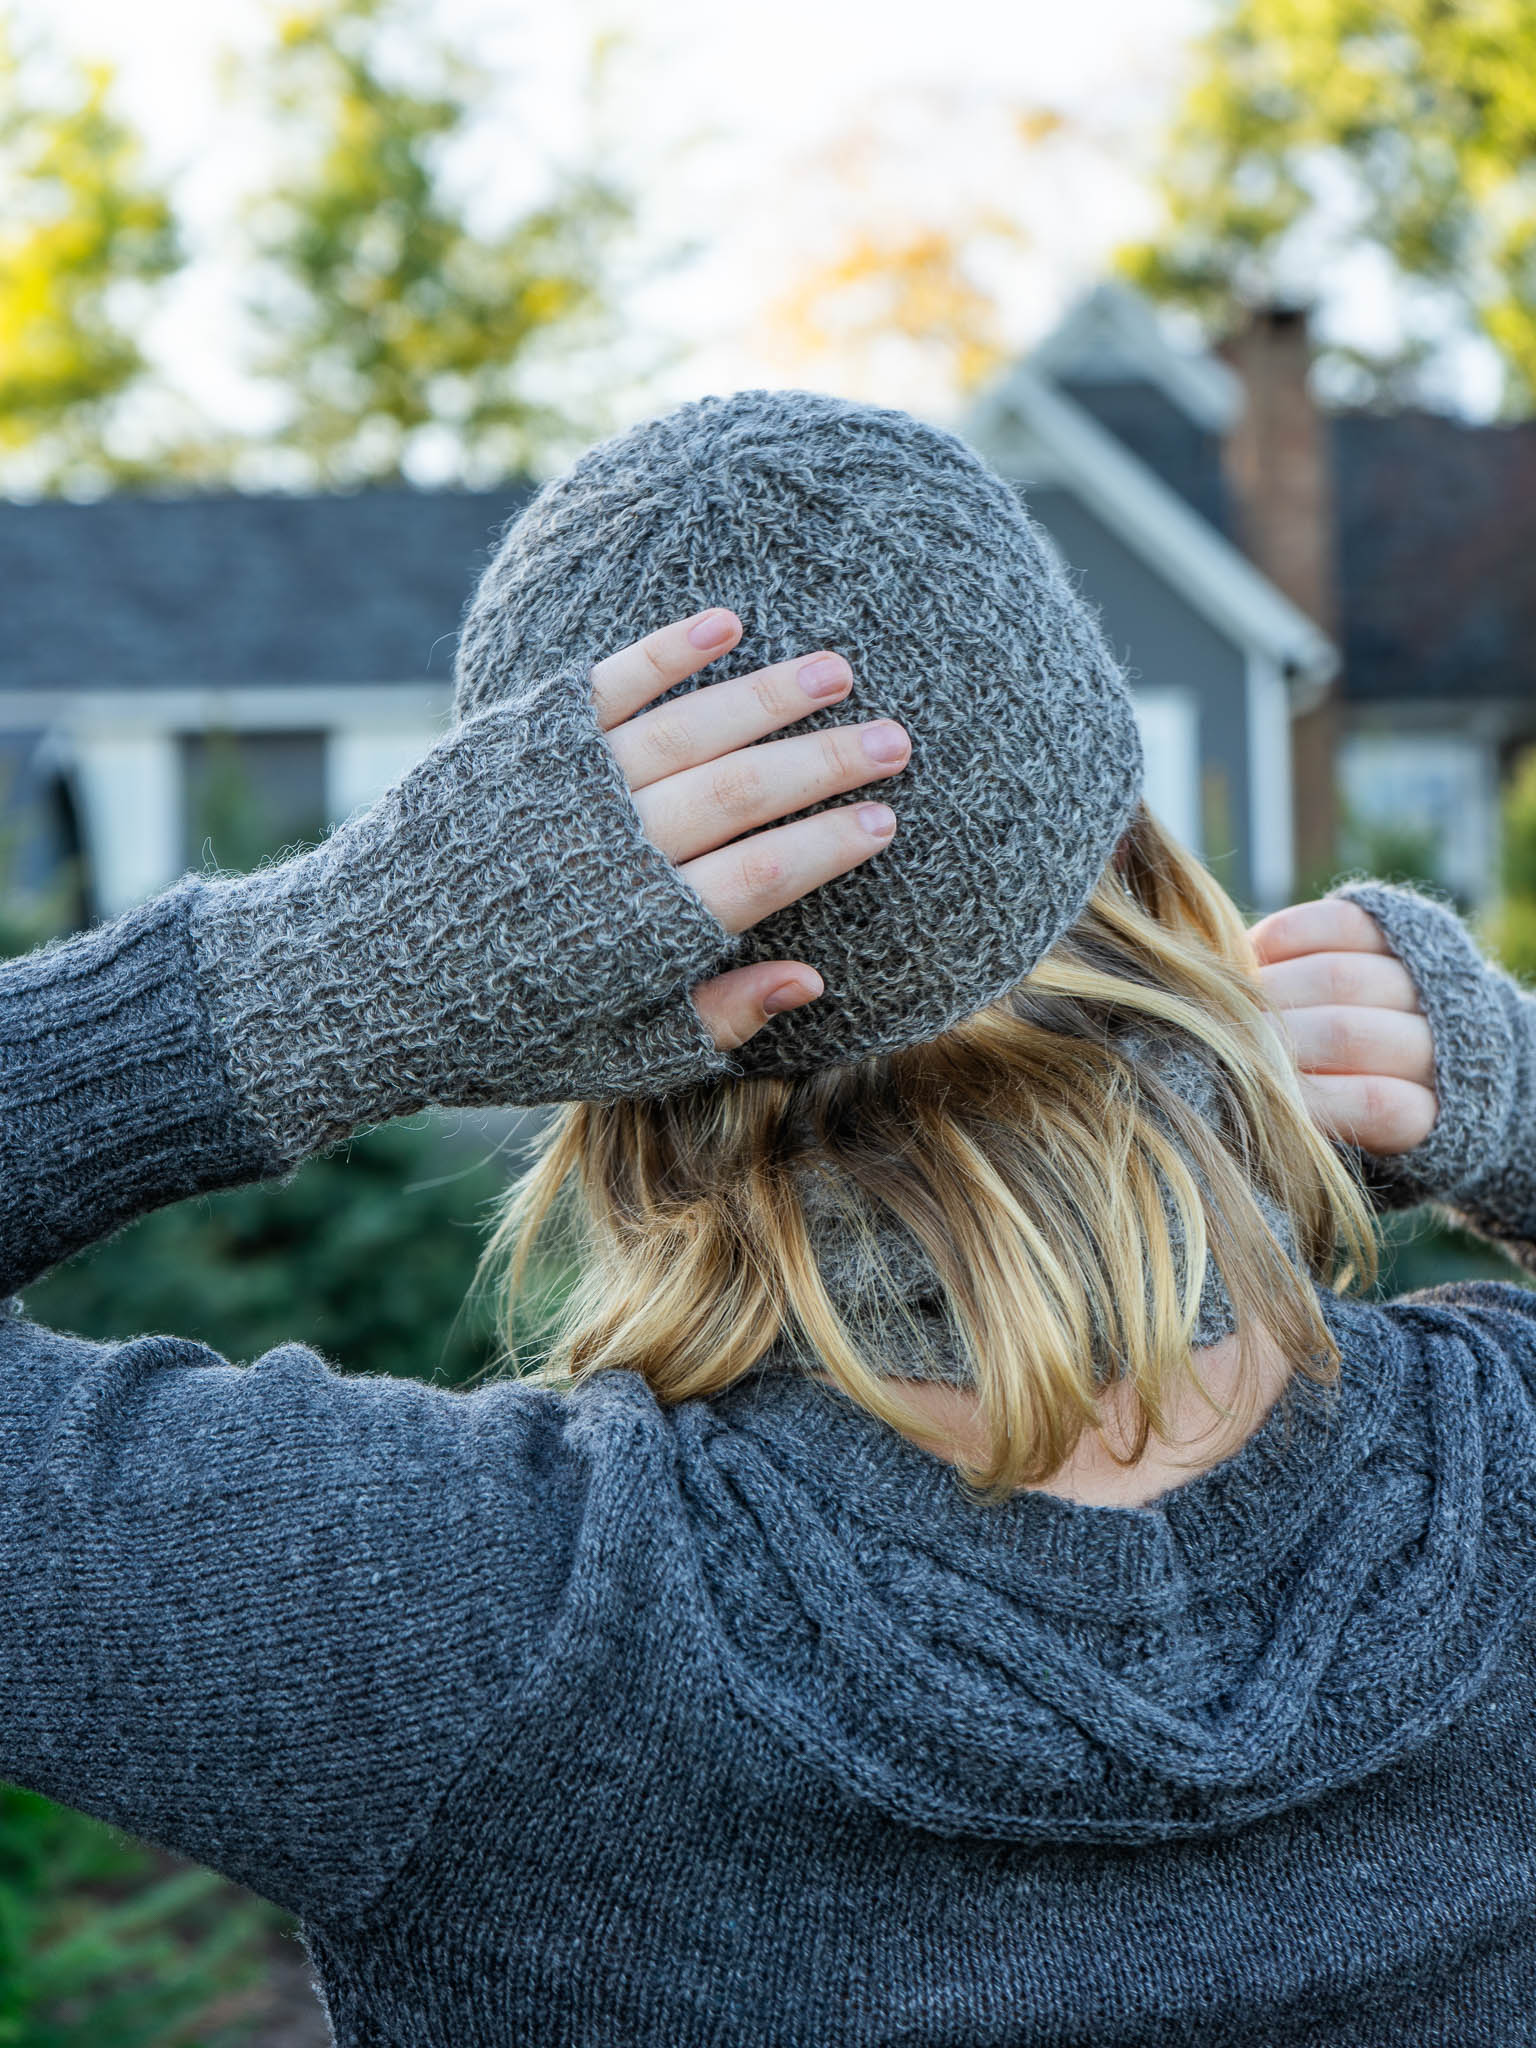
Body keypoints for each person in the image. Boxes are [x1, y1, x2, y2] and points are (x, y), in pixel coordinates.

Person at [3, 387, 1536, 2047]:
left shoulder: (456, 1619)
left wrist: (321, 979)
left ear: (566, 997)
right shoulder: (1505, 1477)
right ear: (1150, 865)